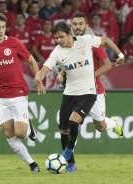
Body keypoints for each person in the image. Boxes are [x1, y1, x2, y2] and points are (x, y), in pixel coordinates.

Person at [33, 21, 125, 174]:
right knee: (64, 129)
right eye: (56, 38)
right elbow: (45, 68)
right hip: (69, 93)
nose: (59, 41)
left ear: (70, 34)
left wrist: (120, 55)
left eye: (61, 37)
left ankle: (68, 151)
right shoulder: (57, 51)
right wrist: (38, 79)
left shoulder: (85, 41)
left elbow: (106, 41)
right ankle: (71, 164)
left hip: (88, 92)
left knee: (73, 121)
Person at [0, 13, 45, 172]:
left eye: (3, 27)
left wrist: (38, 80)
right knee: (9, 133)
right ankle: (32, 164)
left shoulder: (14, 43)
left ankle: (29, 125)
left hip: (18, 94)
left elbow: (31, 60)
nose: (1, 31)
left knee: (21, 133)